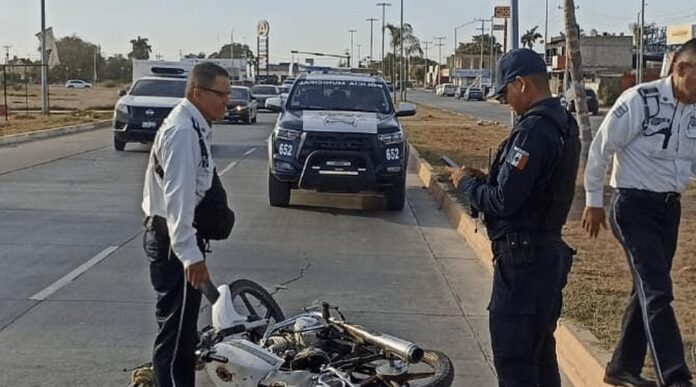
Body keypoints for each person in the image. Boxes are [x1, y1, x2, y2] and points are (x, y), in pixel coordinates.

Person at [445, 48, 580, 387]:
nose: (506, 101)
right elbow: (536, 189)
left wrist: (467, 185)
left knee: (515, 360)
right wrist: (486, 178)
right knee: (539, 354)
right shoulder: (565, 124)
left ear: (521, 84)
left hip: (522, 266)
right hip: (547, 255)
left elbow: (504, 201)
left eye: (505, 92)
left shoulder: (533, 131)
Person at [582, 38, 696, 387]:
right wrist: (593, 200)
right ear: (680, 68)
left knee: (646, 288)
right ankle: (675, 378)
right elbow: (602, 148)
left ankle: (621, 367)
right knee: (658, 290)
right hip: (632, 207)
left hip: (669, 208)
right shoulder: (639, 101)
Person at [141, 62, 230, 387]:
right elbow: (177, 201)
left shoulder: (195, 125)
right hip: (173, 246)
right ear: (197, 92)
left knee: (184, 338)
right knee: (175, 341)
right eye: (221, 94)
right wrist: (190, 257)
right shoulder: (182, 132)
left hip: (177, 241)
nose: (226, 101)